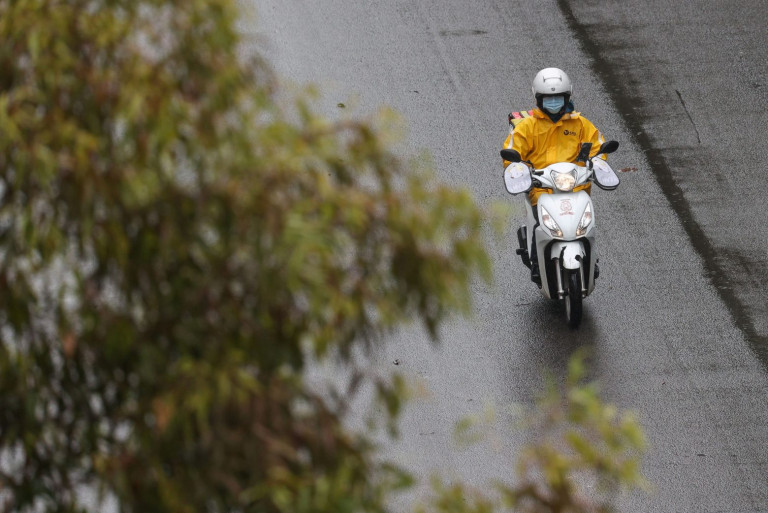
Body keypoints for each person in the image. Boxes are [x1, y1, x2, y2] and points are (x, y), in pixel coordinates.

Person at [502, 67, 606, 285]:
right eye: (548, 99)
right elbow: (512, 150)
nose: (554, 103)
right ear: (539, 99)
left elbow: (598, 146)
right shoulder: (528, 127)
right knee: (542, 224)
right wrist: (516, 167)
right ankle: (536, 263)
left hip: (576, 187)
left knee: (586, 224)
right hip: (541, 188)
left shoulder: (580, 124)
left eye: (558, 98)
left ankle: (591, 258)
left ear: (567, 97)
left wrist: (597, 162)